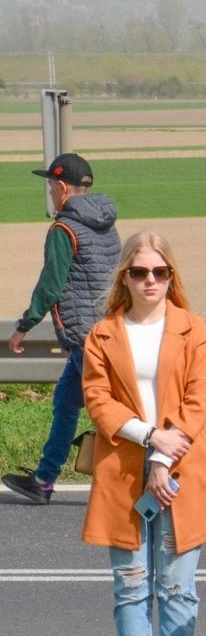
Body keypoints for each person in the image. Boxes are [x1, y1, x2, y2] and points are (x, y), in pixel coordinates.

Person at [80, 232, 206, 636]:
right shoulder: (103, 334)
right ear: (125, 276)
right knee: (130, 587)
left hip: (181, 466)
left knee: (177, 587)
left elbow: (199, 400)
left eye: (160, 272)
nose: (150, 280)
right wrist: (148, 437)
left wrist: (163, 458)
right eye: (140, 272)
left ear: (171, 276)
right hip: (122, 469)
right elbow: (98, 398)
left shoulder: (193, 329)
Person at [3, 154, 119, 506]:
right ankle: (43, 480)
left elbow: (51, 284)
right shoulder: (106, 224)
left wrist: (24, 325)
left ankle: (136, 479)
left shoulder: (63, 229)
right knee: (66, 402)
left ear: (63, 187)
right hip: (111, 330)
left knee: (109, 410)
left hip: (84, 335)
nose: (50, 192)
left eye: (51, 185)